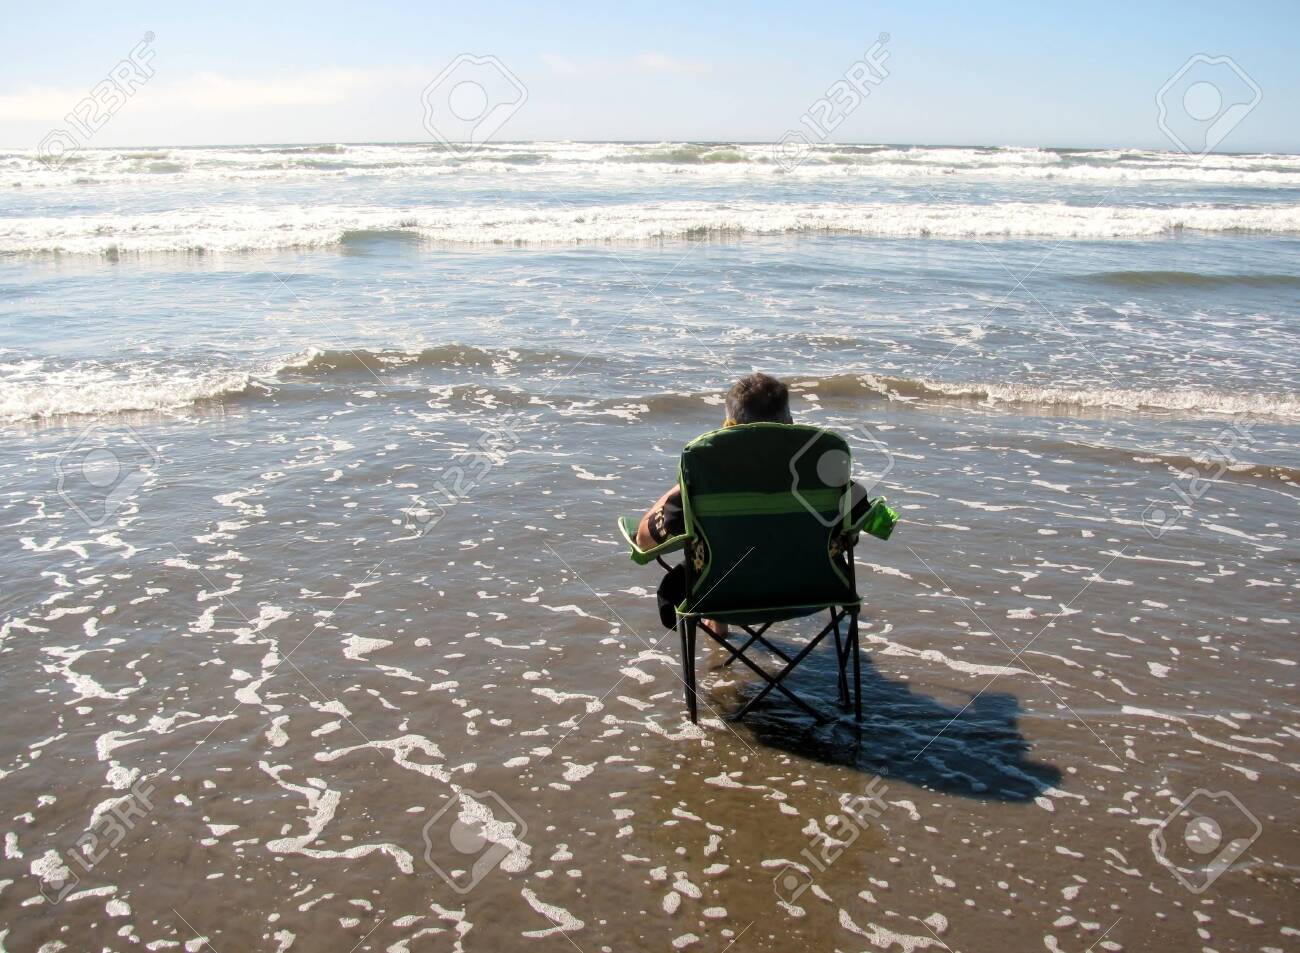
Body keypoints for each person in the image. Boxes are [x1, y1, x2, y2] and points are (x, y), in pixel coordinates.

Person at [636, 372, 874, 634]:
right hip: (817, 591)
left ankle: (718, 626)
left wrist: (684, 485)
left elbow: (644, 541)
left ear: (728, 427)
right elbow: (856, 526)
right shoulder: (822, 473)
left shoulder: (705, 480)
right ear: (790, 424)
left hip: (722, 597)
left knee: (710, 543)